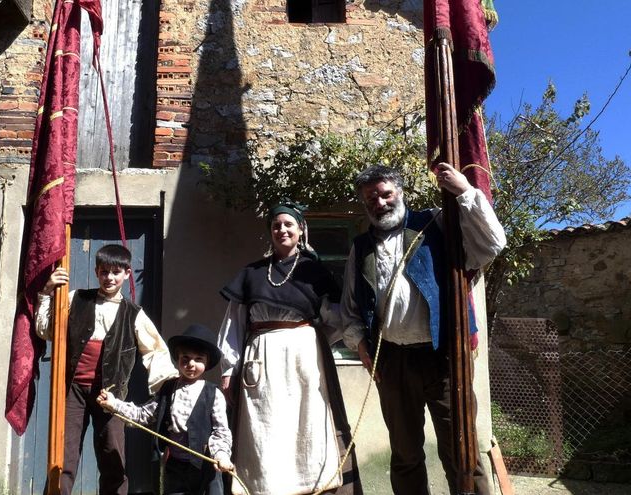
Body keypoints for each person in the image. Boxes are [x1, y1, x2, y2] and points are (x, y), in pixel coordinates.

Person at [341, 163, 507, 494]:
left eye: (386, 193)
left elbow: (492, 244)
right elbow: (350, 309)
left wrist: (464, 191)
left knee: (463, 450)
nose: (380, 202)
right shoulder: (360, 248)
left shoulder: (436, 222)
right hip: (393, 362)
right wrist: (362, 350)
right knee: (405, 455)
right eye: (371, 198)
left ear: (400, 192)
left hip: (445, 357)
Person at [217, 201, 363, 495]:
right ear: (270, 231)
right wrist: (228, 369)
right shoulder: (252, 273)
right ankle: (265, 487)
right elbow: (233, 325)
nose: (282, 230)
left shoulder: (314, 272)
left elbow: (336, 318)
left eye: (288, 224)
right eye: (276, 225)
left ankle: (310, 486)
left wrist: (312, 339)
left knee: (305, 423)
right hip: (261, 358)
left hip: (303, 359)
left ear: (301, 230)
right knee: (264, 424)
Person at [36, 244, 177, 495]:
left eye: (115, 272)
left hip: (109, 396)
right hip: (73, 392)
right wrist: (46, 292)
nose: (109, 278)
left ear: (127, 274)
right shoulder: (75, 298)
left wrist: (170, 386)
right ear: (96, 272)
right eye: (104, 272)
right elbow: (47, 330)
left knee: (113, 456)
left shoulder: (134, 314)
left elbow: (155, 351)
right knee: (63, 456)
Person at [97, 324, 235, 495]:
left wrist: (221, 455)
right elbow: (144, 414)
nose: (191, 364)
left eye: (198, 359)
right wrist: (114, 404)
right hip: (175, 468)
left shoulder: (214, 394)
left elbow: (221, 431)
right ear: (177, 359)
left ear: (206, 364)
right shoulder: (168, 389)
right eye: (185, 358)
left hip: (206, 469)